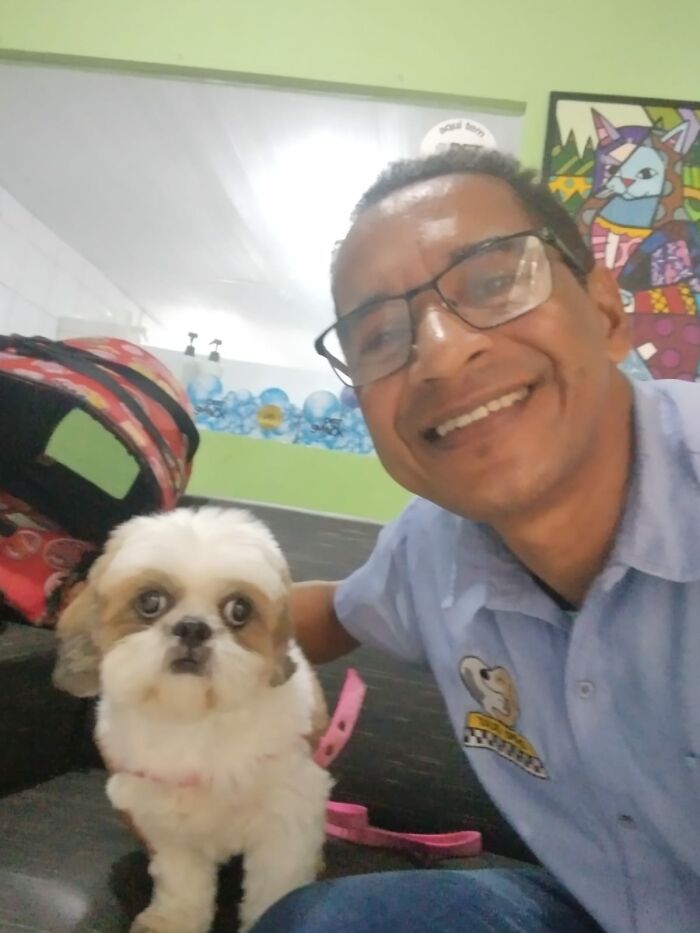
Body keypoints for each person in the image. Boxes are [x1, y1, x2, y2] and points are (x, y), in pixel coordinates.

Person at [251, 149, 700, 933]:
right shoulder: (426, 550)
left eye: (494, 282)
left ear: (604, 311)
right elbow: (330, 614)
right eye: (381, 334)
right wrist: (145, 634)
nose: (442, 350)